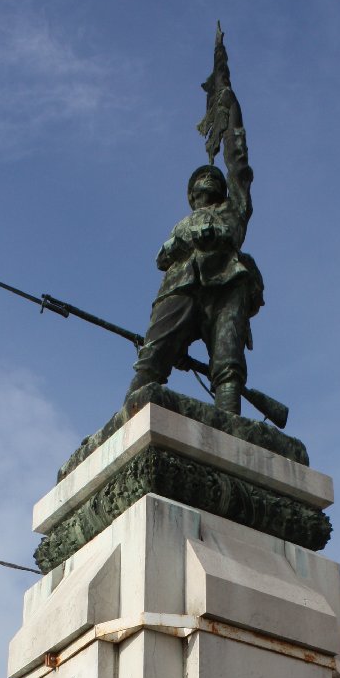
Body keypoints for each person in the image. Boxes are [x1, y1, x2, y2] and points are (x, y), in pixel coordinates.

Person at [126, 35, 263, 416]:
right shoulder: (181, 226)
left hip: (227, 284)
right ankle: (131, 417)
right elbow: (161, 258)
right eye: (199, 180)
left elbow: (239, 164)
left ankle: (230, 419)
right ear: (191, 195)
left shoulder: (233, 210)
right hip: (183, 282)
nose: (206, 181)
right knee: (152, 355)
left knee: (227, 363)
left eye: (210, 178)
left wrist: (232, 112)